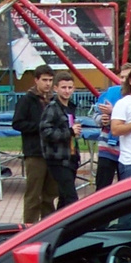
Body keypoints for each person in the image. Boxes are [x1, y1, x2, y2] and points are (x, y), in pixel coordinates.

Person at [13, 67, 57, 223]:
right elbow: (17, 123)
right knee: (33, 194)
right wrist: (40, 126)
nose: (48, 84)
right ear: (36, 80)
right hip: (35, 152)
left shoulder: (54, 100)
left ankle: (48, 225)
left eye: (50, 80)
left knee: (50, 194)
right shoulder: (27, 100)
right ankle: (29, 226)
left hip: (53, 152)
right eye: (44, 80)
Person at [39, 74, 81, 210]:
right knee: (71, 198)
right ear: (56, 88)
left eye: (70, 87)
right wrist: (69, 132)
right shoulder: (52, 108)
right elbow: (46, 132)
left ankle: (59, 226)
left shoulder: (70, 108)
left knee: (64, 198)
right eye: (63, 87)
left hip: (71, 157)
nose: (67, 91)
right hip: (57, 159)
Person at [94, 63, 131, 190]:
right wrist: (102, 119)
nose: (124, 80)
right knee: (102, 187)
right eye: (122, 77)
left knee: (125, 188)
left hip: (127, 150)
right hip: (107, 148)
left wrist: (113, 113)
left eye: (127, 77)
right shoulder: (110, 92)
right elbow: (95, 114)